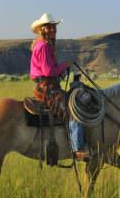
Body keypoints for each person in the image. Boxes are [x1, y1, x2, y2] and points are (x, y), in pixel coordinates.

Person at [30, 12, 90, 161]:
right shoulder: (43, 46)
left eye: (54, 27)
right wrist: (65, 65)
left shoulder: (45, 45)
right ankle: (77, 149)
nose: (53, 30)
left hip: (49, 85)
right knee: (73, 109)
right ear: (42, 29)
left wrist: (61, 69)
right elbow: (48, 71)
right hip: (47, 88)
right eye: (49, 27)